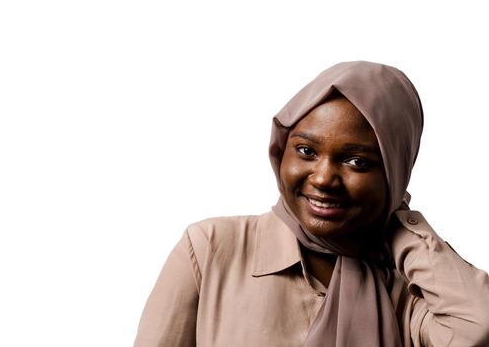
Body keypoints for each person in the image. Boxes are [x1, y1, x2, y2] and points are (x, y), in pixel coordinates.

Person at [133, 61, 489, 346]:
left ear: (394, 172)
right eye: (306, 151)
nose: (323, 178)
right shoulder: (211, 249)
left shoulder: (409, 288)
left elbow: (479, 329)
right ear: (280, 150)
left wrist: (398, 222)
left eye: (358, 162)